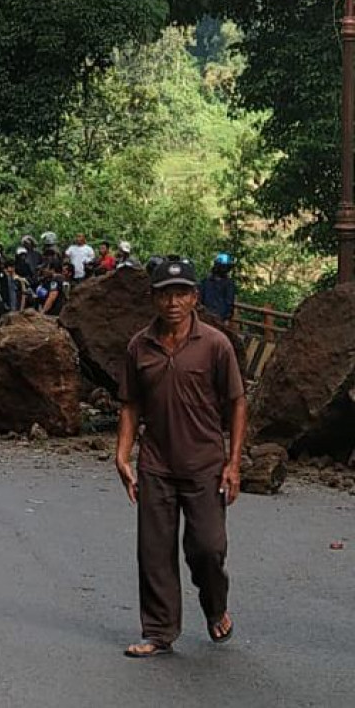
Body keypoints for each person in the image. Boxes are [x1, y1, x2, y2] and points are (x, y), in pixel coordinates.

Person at [116, 257, 246, 658]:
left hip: (205, 465)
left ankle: (215, 606)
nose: (172, 302)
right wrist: (122, 455)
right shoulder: (140, 346)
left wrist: (234, 463)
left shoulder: (215, 345)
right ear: (154, 299)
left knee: (207, 547)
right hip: (156, 463)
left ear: (194, 298)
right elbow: (130, 405)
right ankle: (158, 631)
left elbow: (237, 403)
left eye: (180, 293)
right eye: (164, 294)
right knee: (154, 551)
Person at [200, 253, 238, 321]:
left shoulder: (229, 283)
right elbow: (201, 297)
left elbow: (229, 303)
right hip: (206, 317)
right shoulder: (206, 281)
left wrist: (227, 318)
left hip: (219, 319)